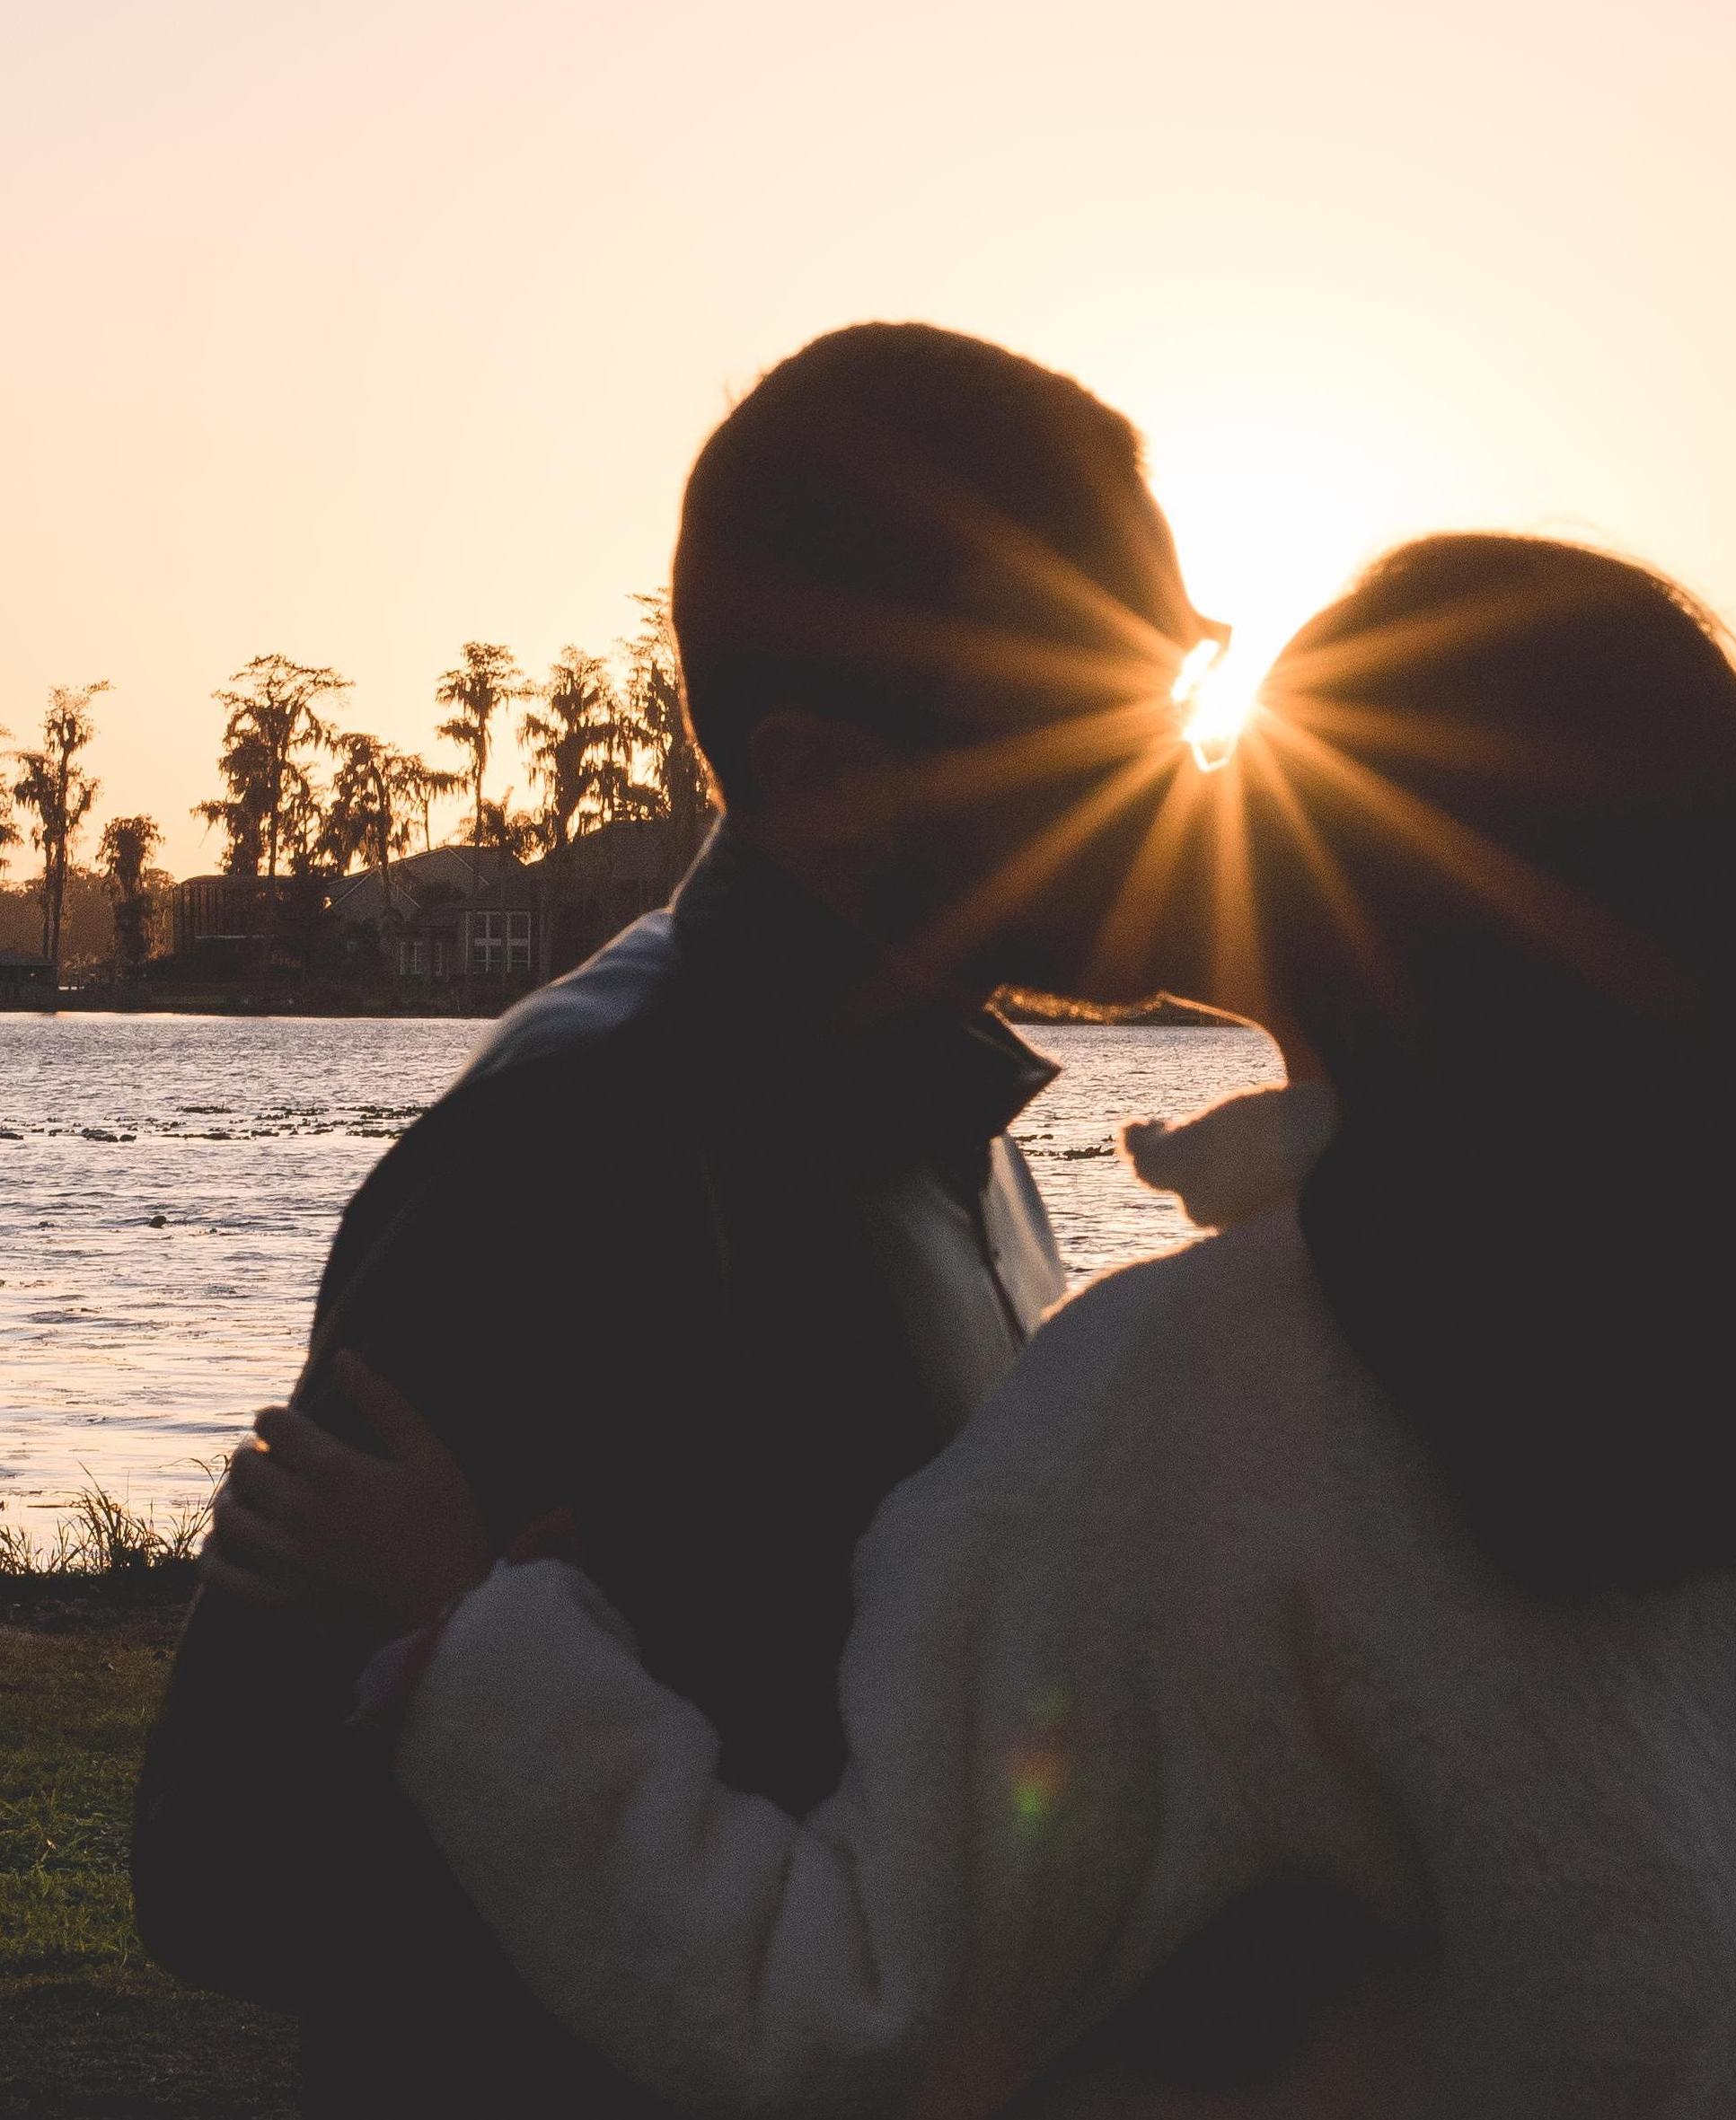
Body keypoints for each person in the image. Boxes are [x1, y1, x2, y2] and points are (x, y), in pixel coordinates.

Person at [204, 533, 1736, 2118]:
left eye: (1263, 761)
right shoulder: (1704, 1404)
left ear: (1362, 876)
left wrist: (465, 1644)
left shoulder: (1215, 1397)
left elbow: (837, 2013)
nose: (1184, 786)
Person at [135, 322, 1220, 2118]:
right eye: (1091, 710)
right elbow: (227, 1855)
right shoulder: (575, 1157)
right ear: (816, 776)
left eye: (1173, 678)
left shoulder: (945, 1122)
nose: (1176, 766)